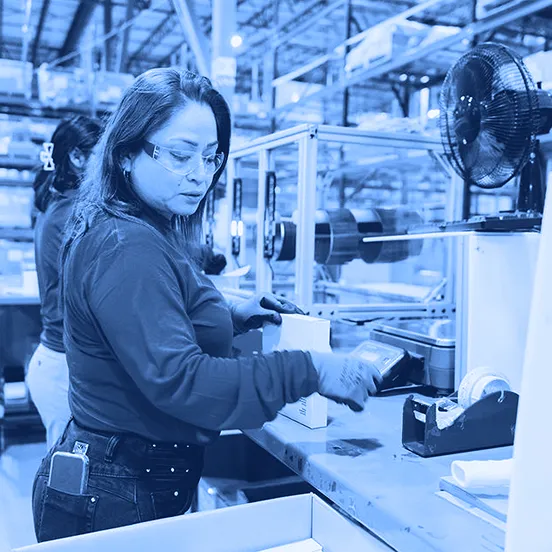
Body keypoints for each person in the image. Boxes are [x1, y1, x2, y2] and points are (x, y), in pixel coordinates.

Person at [31, 68, 382, 542]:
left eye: (211, 157)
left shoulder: (139, 224)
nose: (200, 175)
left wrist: (227, 311)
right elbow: (183, 381)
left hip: (115, 477)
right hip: (116, 492)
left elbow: (153, 310)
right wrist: (311, 369)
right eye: (179, 155)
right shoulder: (126, 245)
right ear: (127, 153)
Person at [26, 116, 102, 451]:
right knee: (68, 485)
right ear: (77, 157)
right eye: (103, 155)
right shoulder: (72, 213)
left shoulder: (59, 206)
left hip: (56, 364)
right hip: (62, 369)